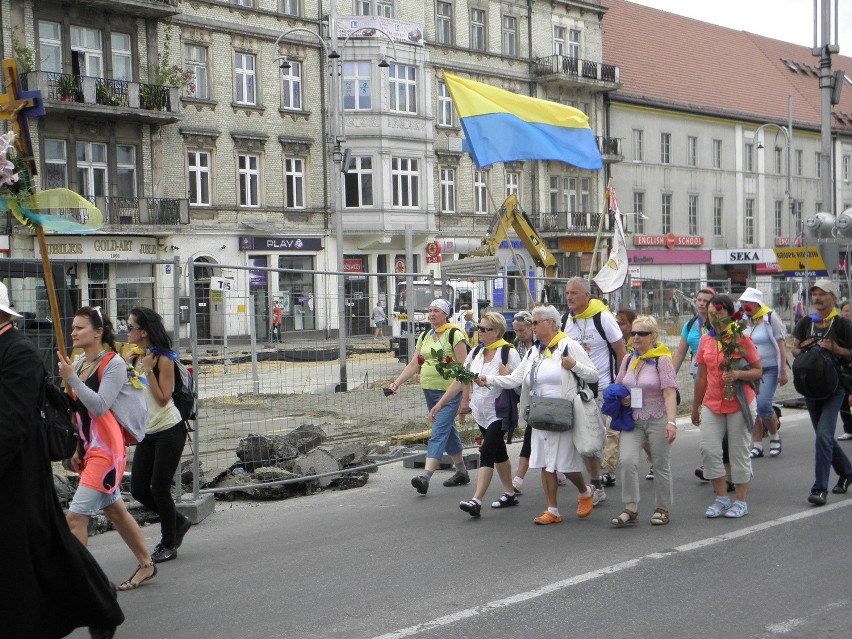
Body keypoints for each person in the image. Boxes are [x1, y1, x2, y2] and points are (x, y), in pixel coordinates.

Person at [0, 286, 125, 638]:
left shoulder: (18, 352)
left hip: (19, 470)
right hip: (13, 469)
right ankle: (98, 599)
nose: (74, 332)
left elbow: (12, 422)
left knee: (43, 544)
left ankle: (99, 601)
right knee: (42, 546)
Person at [58, 306, 157, 591]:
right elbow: (77, 412)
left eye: (80, 328)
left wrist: (72, 378)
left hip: (108, 450)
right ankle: (147, 564)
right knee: (115, 511)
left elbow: (100, 405)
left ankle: (80, 586)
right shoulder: (77, 365)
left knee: (75, 517)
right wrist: (76, 447)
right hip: (90, 448)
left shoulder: (112, 363)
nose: (73, 332)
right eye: (73, 327)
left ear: (98, 332)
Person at [481, 305, 599, 525]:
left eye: (536, 322)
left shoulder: (569, 345)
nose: (532, 327)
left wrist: (574, 365)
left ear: (551, 323)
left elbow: (592, 374)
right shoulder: (535, 351)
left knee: (563, 464)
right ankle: (552, 510)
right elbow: (515, 379)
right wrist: (488, 380)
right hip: (539, 412)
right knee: (545, 462)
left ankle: (585, 491)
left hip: (563, 413)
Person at [429, 312, 522, 516]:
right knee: (499, 453)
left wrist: (506, 376)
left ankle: (476, 500)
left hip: (500, 412)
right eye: (478, 328)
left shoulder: (508, 353)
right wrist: (441, 404)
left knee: (487, 452)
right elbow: (460, 380)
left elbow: (520, 384)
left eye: (484, 329)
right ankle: (509, 493)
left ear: (496, 332)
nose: (478, 332)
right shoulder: (477, 353)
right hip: (481, 412)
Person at [126, 307, 192, 563]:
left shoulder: (163, 359)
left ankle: (169, 542)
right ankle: (178, 521)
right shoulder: (135, 356)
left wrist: (149, 371)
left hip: (169, 430)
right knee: (139, 489)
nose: (127, 331)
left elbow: (164, 399)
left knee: (160, 488)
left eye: (130, 327)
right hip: (148, 431)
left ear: (143, 332)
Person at [388, 299, 471, 494]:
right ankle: (461, 471)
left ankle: (425, 477)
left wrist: (466, 398)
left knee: (438, 431)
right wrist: (397, 383)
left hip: (449, 392)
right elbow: (414, 364)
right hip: (429, 390)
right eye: (430, 310)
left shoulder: (455, 334)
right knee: (447, 429)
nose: (432, 314)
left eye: (437, 311)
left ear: (446, 314)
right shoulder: (425, 336)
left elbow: (464, 368)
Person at [691, 295, 762, 519]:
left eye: (719, 314)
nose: (714, 318)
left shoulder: (741, 338)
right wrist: (695, 407)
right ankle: (721, 498)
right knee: (709, 450)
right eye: (711, 314)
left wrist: (738, 373)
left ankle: (740, 501)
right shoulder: (705, 340)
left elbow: (758, 370)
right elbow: (701, 377)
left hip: (739, 403)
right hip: (712, 402)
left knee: (739, 451)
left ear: (730, 315)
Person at [563, 277, 627, 505]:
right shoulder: (565, 321)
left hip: (602, 388)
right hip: (576, 391)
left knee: (606, 436)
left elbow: (621, 352)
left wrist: (621, 385)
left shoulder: (603, 318)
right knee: (589, 440)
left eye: (575, 293)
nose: (569, 297)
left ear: (587, 295)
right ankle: (596, 484)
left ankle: (652, 457)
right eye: (567, 292)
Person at [611, 316, 678, 526]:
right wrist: (622, 397)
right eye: (633, 333)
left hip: (658, 417)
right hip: (633, 419)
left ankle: (662, 508)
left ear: (654, 336)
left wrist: (672, 422)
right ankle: (630, 508)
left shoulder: (662, 359)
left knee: (660, 464)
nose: (636, 337)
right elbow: (618, 386)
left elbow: (669, 393)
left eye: (642, 333)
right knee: (627, 461)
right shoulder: (628, 360)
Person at [791, 280, 852, 506]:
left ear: (833, 298)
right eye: (814, 294)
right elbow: (795, 348)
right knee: (823, 437)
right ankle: (847, 471)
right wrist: (804, 347)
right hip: (810, 386)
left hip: (835, 387)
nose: (817, 298)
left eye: (822, 294)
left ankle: (819, 489)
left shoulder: (842, 324)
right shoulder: (805, 322)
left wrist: (834, 348)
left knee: (824, 436)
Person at [737, 288, 788, 458]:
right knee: (753, 408)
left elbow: (781, 344)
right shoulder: (743, 320)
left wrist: (783, 370)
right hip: (750, 369)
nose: (744, 306)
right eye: (743, 303)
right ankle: (757, 445)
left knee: (764, 404)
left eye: (748, 303)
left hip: (770, 368)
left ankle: (774, 437)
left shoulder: (770, 317)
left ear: (757, 304)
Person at [509, 311, 535, 493]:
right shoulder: (516, 346)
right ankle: (558, 470)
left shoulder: (542, 345)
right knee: (533, 435)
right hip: (525, 395)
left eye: (522, 330)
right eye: (516, 331)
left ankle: (518, 477)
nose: (519, 334)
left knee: (531, 436)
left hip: (542, 397)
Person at [838, 300, 852, 441]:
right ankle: (848, 429)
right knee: (844, 400)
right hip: (844, 369)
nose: (848, 313)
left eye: (850, 310)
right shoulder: (838, 328)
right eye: (846, 310)